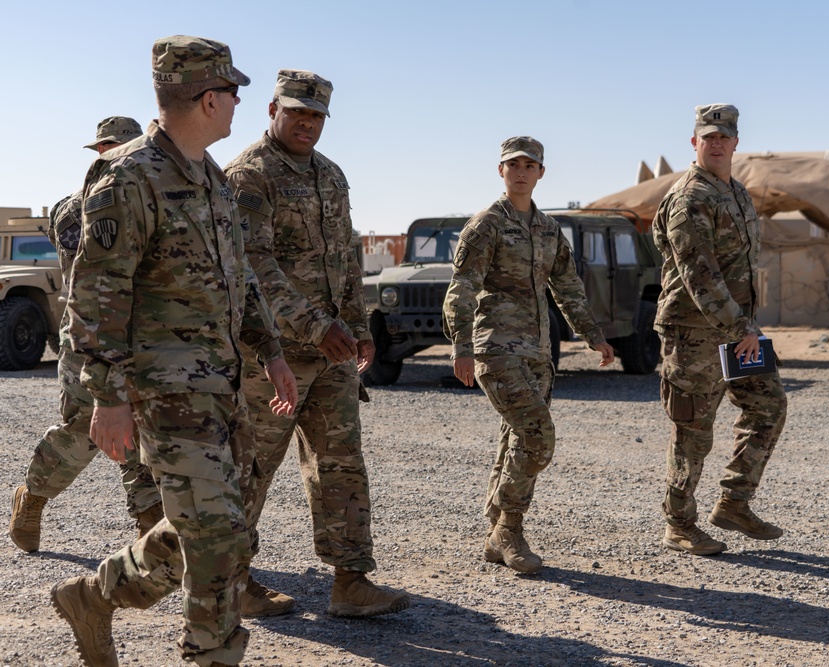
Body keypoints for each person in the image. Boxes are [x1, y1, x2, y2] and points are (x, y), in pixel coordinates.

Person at [50, 35, 297, 667]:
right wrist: (107, 397)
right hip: (163, 391)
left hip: (222, 384)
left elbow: (236, 277)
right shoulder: (126, 176)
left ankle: (94, 596)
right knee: (217, 539)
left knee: (223, 529)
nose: (240, 103)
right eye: (234, 92)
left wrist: (270, 352)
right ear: (210, 100)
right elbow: (95, 294)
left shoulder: (211, 177)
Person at [225, 69, 409, 618]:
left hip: (332, 352)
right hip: (272, 351)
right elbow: (252, 266)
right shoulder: (249, 176)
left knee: (342, 463)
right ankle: (231, 580)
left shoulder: (331, 175)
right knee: (250, 467)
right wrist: (312, 325)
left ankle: (350, 581)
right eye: (297, 112)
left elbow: (344, 261)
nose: (306, 123)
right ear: (272, 110)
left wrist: (356, 326)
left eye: (316, 116)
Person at [443, 136, 615, 574]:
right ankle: (510, 529)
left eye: (529, 165)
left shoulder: (548, 228)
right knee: (538, 436)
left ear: (541, 173)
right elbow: (461, 287)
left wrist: (593, 335)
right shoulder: (487, 224)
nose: (521, 171)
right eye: (512, 164)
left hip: (537, 349)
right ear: (500, 171)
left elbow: (568, 286)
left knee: (515, 438)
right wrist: (461, 347)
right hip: (495, 347)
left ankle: (496, 533)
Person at [9, 116, 164, 554]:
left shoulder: (149, 200)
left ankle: (149, 526)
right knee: (84, 429)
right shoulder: (73, 208)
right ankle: (33, 495)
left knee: (144, 432)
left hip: (144, 338)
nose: (112, 155)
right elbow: (95, 275)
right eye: (106, 148)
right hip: (89, 338)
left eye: (121, 146)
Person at [652, 104, 787, 557]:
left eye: (723, 137)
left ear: (735, 143)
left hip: (738, 330)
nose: (715, 143)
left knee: (768, 405)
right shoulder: (690, 197)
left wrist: (744, 326)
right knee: (693, 430)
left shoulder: (737, 193)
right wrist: (739, 325)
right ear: (694, 143)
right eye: (706, 137)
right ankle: (679, 523)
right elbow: (699, 275)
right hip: (694, 331)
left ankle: (733, 502)